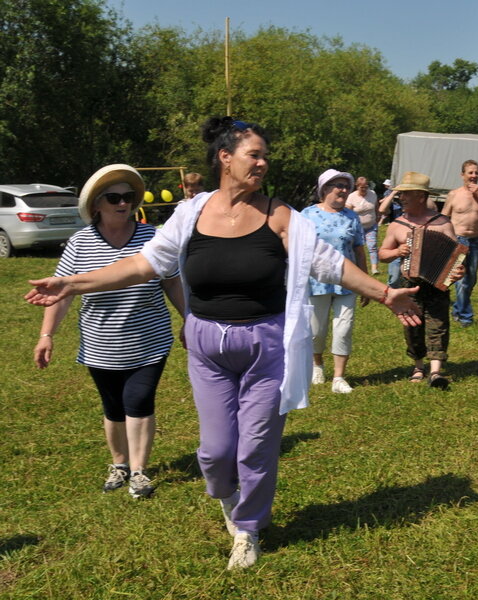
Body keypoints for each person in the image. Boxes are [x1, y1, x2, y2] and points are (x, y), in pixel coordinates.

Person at [25, 117, 421, 570]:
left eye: (265, 155)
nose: (263, 162)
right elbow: (143, 264)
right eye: (255, 154)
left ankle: (249, 528)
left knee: (255, 446)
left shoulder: (279, 215)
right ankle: (230, 499)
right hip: (207, 344)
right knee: (214, 452)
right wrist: (75, 284)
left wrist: (384, 293)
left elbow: (328, 264)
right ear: (225, 158)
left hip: (266, 344)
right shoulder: (191, 213)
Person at [32, 164, 185, 498]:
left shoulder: (153, 238)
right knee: (113, 406)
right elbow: (61, 294)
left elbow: (173, 282)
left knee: (139, 399)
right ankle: (119, 463)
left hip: (149, 341)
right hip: (101, 343)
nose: (123, 203)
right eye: (114, 197)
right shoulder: (80, 243)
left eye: (128, 196)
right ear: (96, 205)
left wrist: (190, 319)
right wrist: (47, 335)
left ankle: (140, 471)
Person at [379, 171, 463, 389]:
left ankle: (435, 371)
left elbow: (456, 256)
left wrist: (457, 271)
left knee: (439, 325)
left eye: (406, 194)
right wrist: (398, 251)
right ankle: (418, 365)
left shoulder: (443, 223)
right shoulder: (398, 224)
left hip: (437, 286)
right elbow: (382, 254)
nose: (401, 198)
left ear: (421, 196)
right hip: (410, 286)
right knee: (413, 328)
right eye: (401, 195)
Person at [303, 169, 367, 394]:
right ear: (324, 189)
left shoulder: (352, 216)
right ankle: (316, 364)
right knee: (315, 330)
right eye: (337, 185)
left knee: (344, 328)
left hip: (347, 282)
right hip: (316, 282)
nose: (343, 190)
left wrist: (366, 283)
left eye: (345, 186)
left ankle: (339, 378)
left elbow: (359, 249)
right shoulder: (307, 215)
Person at [441, 159, 478, 326]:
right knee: (461, 279)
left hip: (476, 240)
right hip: (458, 240)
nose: (474, 176)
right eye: (470, 173)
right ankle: (466, 316)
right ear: (462, 175)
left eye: (476, 173)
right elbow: (444, 217)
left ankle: (457, 308)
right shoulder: (454, 194)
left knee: (471, 279)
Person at [346, 176, 380, 275]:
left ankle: (374, 268)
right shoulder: (352, 197)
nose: (364, 189)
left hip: (371, 226)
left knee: (372, 246)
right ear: (357, 187)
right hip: (357, 228)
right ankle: (357, 268)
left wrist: (378, 216)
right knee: (357, 248)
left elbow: (376, 206)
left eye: (366, 187)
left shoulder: (372, 194)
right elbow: (348, 211)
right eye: (362, 187)